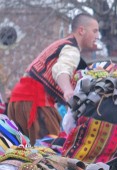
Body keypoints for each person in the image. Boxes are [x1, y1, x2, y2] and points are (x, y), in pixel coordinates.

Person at [8, 13, 99, 144]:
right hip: (35, 103)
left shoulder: (62, 44)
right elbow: (61, 69)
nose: (97, 36)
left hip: (19, 100)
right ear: (81, 30)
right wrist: (68, 90)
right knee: (50, 150)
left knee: (22, 150)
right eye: (95, 31)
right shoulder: (71, 49)